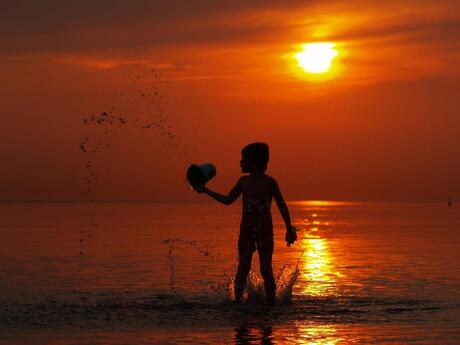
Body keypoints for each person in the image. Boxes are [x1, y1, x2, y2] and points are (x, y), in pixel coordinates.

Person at [195, 142, 297, 305]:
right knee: (243, 269)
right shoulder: (243, 182)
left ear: (255, 162)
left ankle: (271, 305)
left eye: (244, 159)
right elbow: (228, 200)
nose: (240, 162)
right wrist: (206, 190)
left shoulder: (270, 182)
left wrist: (288, 229)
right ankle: (237, 304)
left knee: (265, 269)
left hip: (264, 230)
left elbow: (282, 205)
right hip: (247, 230)